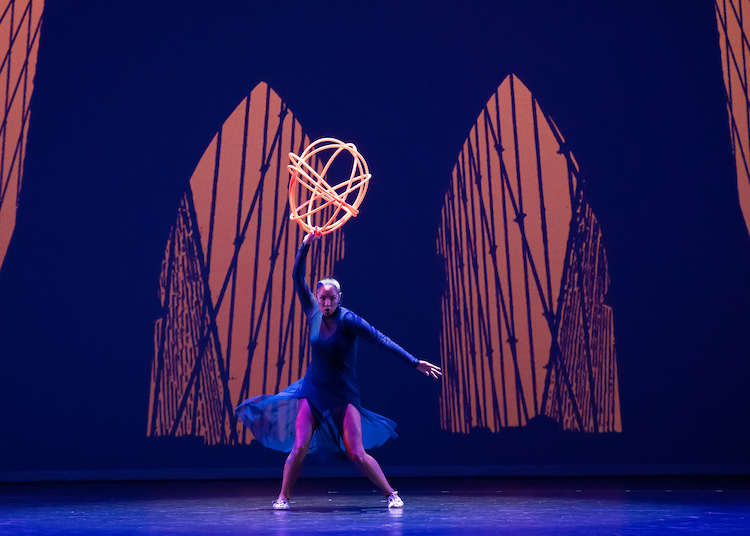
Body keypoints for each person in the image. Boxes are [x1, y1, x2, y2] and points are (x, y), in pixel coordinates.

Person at [235, 229, 441, 510]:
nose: (327, 303)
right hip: (312, 394)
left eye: (332, 298)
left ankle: (391, 493)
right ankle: (282, 497)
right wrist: (305, 246)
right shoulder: (312, 311)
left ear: (340, 297)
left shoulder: (349, 320)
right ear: (317, 297)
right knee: (299, 448)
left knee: (357, 453)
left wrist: (414, 361)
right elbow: (297, 278)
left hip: (343, 397)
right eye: (323, 298)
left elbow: (382, 340)